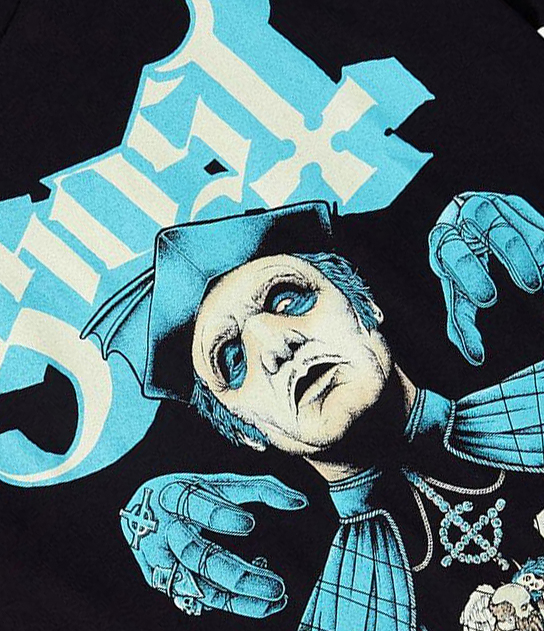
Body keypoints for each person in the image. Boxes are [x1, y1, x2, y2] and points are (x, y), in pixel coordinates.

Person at [82, 193, 544, 630]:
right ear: (244, 430)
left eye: (288, 300)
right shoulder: (337, 610)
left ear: (364, 305)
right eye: (233, 360)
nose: (277, 347)